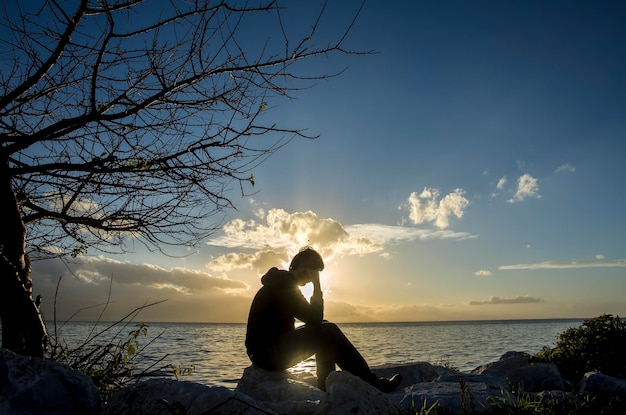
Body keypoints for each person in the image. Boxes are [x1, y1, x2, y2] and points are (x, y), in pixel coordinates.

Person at [245, 247, 402, 392]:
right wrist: (317, 285)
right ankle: (372, 383)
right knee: (328, 331)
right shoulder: (285, 287)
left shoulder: (282, 283)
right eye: (313, 272)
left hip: (265, 352)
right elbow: (314, 318)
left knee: (325, 329)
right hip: (267, 355)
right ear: (303, 267)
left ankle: (325, 387)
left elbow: (315, 321)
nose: (311, 278)